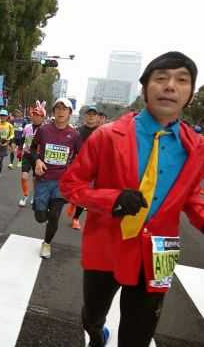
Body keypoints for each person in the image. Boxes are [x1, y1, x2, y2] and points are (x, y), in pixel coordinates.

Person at [60, 52, 204, 347]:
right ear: (144, 89)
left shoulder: (197, 148)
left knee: (139, 335)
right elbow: (70, 185)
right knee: (92, 315)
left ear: (190, 94)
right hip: (106, 243)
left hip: (161, 252)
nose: (170, 86)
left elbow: (193, 198)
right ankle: (96, 334)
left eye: (182, 80)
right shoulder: (106, 136)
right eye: (161, 78)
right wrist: (111, 199)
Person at [33, 97, 81, 259]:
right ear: (54, 112)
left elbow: (81, 157)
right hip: (43, 179)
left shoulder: (74, 135)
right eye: (58, 109)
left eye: (64, 109)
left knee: (54, 215)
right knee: (40, 217)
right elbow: (32, 149)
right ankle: (43, 212)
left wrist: (75, 174)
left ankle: (47, 243)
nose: (61, 112)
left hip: (61, 181)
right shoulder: (44, 130)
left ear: (69, 113)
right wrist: (38, 160)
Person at [70, 105, 101, 230]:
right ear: (85, 116)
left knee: (85, 195)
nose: (91, 117)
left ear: (98, 117)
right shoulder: (77, 131)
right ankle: (73, 202)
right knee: (73, 191)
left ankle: (76, 218)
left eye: (94, 114)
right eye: (89, 114)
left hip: (92, 169)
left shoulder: (101, 132)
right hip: (77, 167)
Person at [18, 101, 46, 207]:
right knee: (24, 177)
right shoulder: (27, 127)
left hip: (38, 157)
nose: (35, 117)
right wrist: (20, 150)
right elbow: (22, 139)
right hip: (27, 154)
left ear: (43, 117)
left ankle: (34, 196)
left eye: (38, 115)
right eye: (34, 114)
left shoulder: (45, 130)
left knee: (35, 179)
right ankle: (25, 195)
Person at [0, 109, 14, 180]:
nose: (3, 117)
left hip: (5, 144)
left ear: (7, 117)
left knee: (0, 159)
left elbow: (12, 135)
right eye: (1, 115)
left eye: (4, 116)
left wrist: (7, 142)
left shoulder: (10, 125)